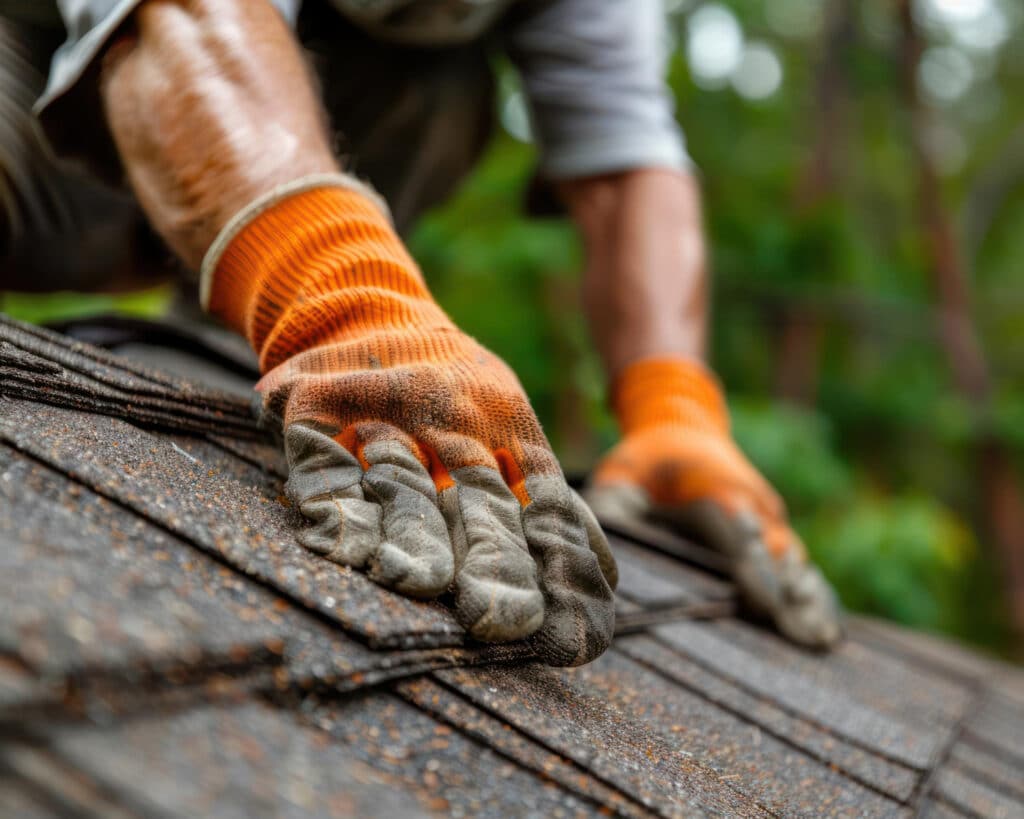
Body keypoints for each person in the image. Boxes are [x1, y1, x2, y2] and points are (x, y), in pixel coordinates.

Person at [0, 0, 839, 666]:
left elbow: (625, 161)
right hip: (43, 97)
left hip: (256, 149)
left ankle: (239, 368)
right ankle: (304, 324)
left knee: (440, 78)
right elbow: (180, 13)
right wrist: (340, 290)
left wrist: (672, 404)